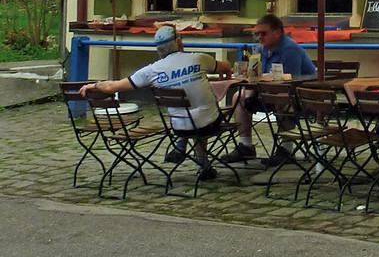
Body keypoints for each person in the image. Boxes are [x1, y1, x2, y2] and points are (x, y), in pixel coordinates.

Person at [79, 25, 228, 181]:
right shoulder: (199, 58)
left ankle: (182, 147)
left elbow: (112, 87)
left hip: (179, 128)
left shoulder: (151, 71)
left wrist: (94, 85)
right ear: (179, 42)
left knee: (188, 115)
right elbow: (225, 66)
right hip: (209, 124)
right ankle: (202, 161)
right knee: (203, 113)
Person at [225, 13, 316, 165]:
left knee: (282, 97)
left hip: (301, 97)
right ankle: (245, 145)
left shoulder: (290, 49)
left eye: (264, 33)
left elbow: (289, 82)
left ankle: (286, 149)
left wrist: (259, 85)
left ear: (278, 32)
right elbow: (255, 75)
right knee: (238, 96)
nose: (260, 37)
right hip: (268, 92)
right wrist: (249, 90)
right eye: (257, 33)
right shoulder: (260, 50)